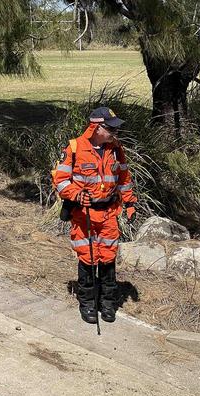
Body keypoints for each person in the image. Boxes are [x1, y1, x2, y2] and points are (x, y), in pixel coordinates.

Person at [52, 107, 137, 324]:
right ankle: (88, 303)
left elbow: (124, 178)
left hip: (109, 213)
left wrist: (129, 203)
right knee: (88, 258)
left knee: (108, 258)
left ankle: (108, 304)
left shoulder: (116, 149)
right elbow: (60, 180)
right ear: (96, 127)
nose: (114, 133)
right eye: (110, 129)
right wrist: (77, 194)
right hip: (84, 215)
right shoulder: (74, 148)